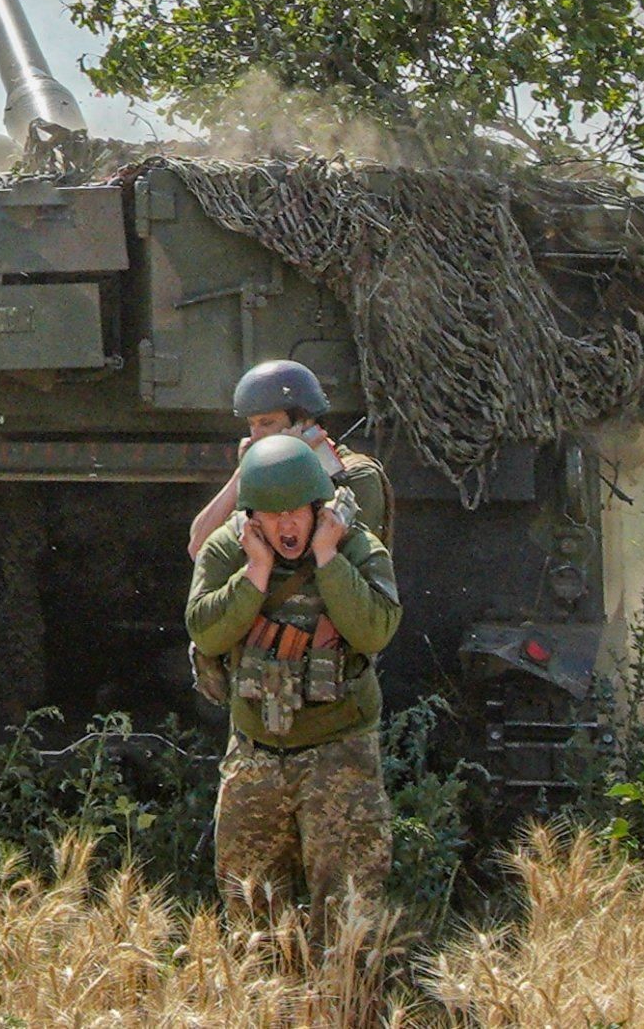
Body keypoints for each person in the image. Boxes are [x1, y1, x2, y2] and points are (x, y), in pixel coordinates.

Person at [185, 433, 400, 928]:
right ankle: (268, 1006)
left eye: (297, 512)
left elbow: (375, 630)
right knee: (251, 915)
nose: (286, 525)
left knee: (349, 918)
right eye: (272, 514)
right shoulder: (228, 552)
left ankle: (345, 1004)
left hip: (339, 755)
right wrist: (255, 574)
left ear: (318, 508)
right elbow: (206, 632)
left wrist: (329, 559)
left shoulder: (358, 547)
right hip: (256, 753)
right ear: (251, 517)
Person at [187, 359, 390, 561]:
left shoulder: (358, 474)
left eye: (266, 423)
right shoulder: (261, 474)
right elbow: (199, 548)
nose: (256, 436)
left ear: (304, 421)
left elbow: (342, 561)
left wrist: (296, 461)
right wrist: (244, 473)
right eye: (252, 424)